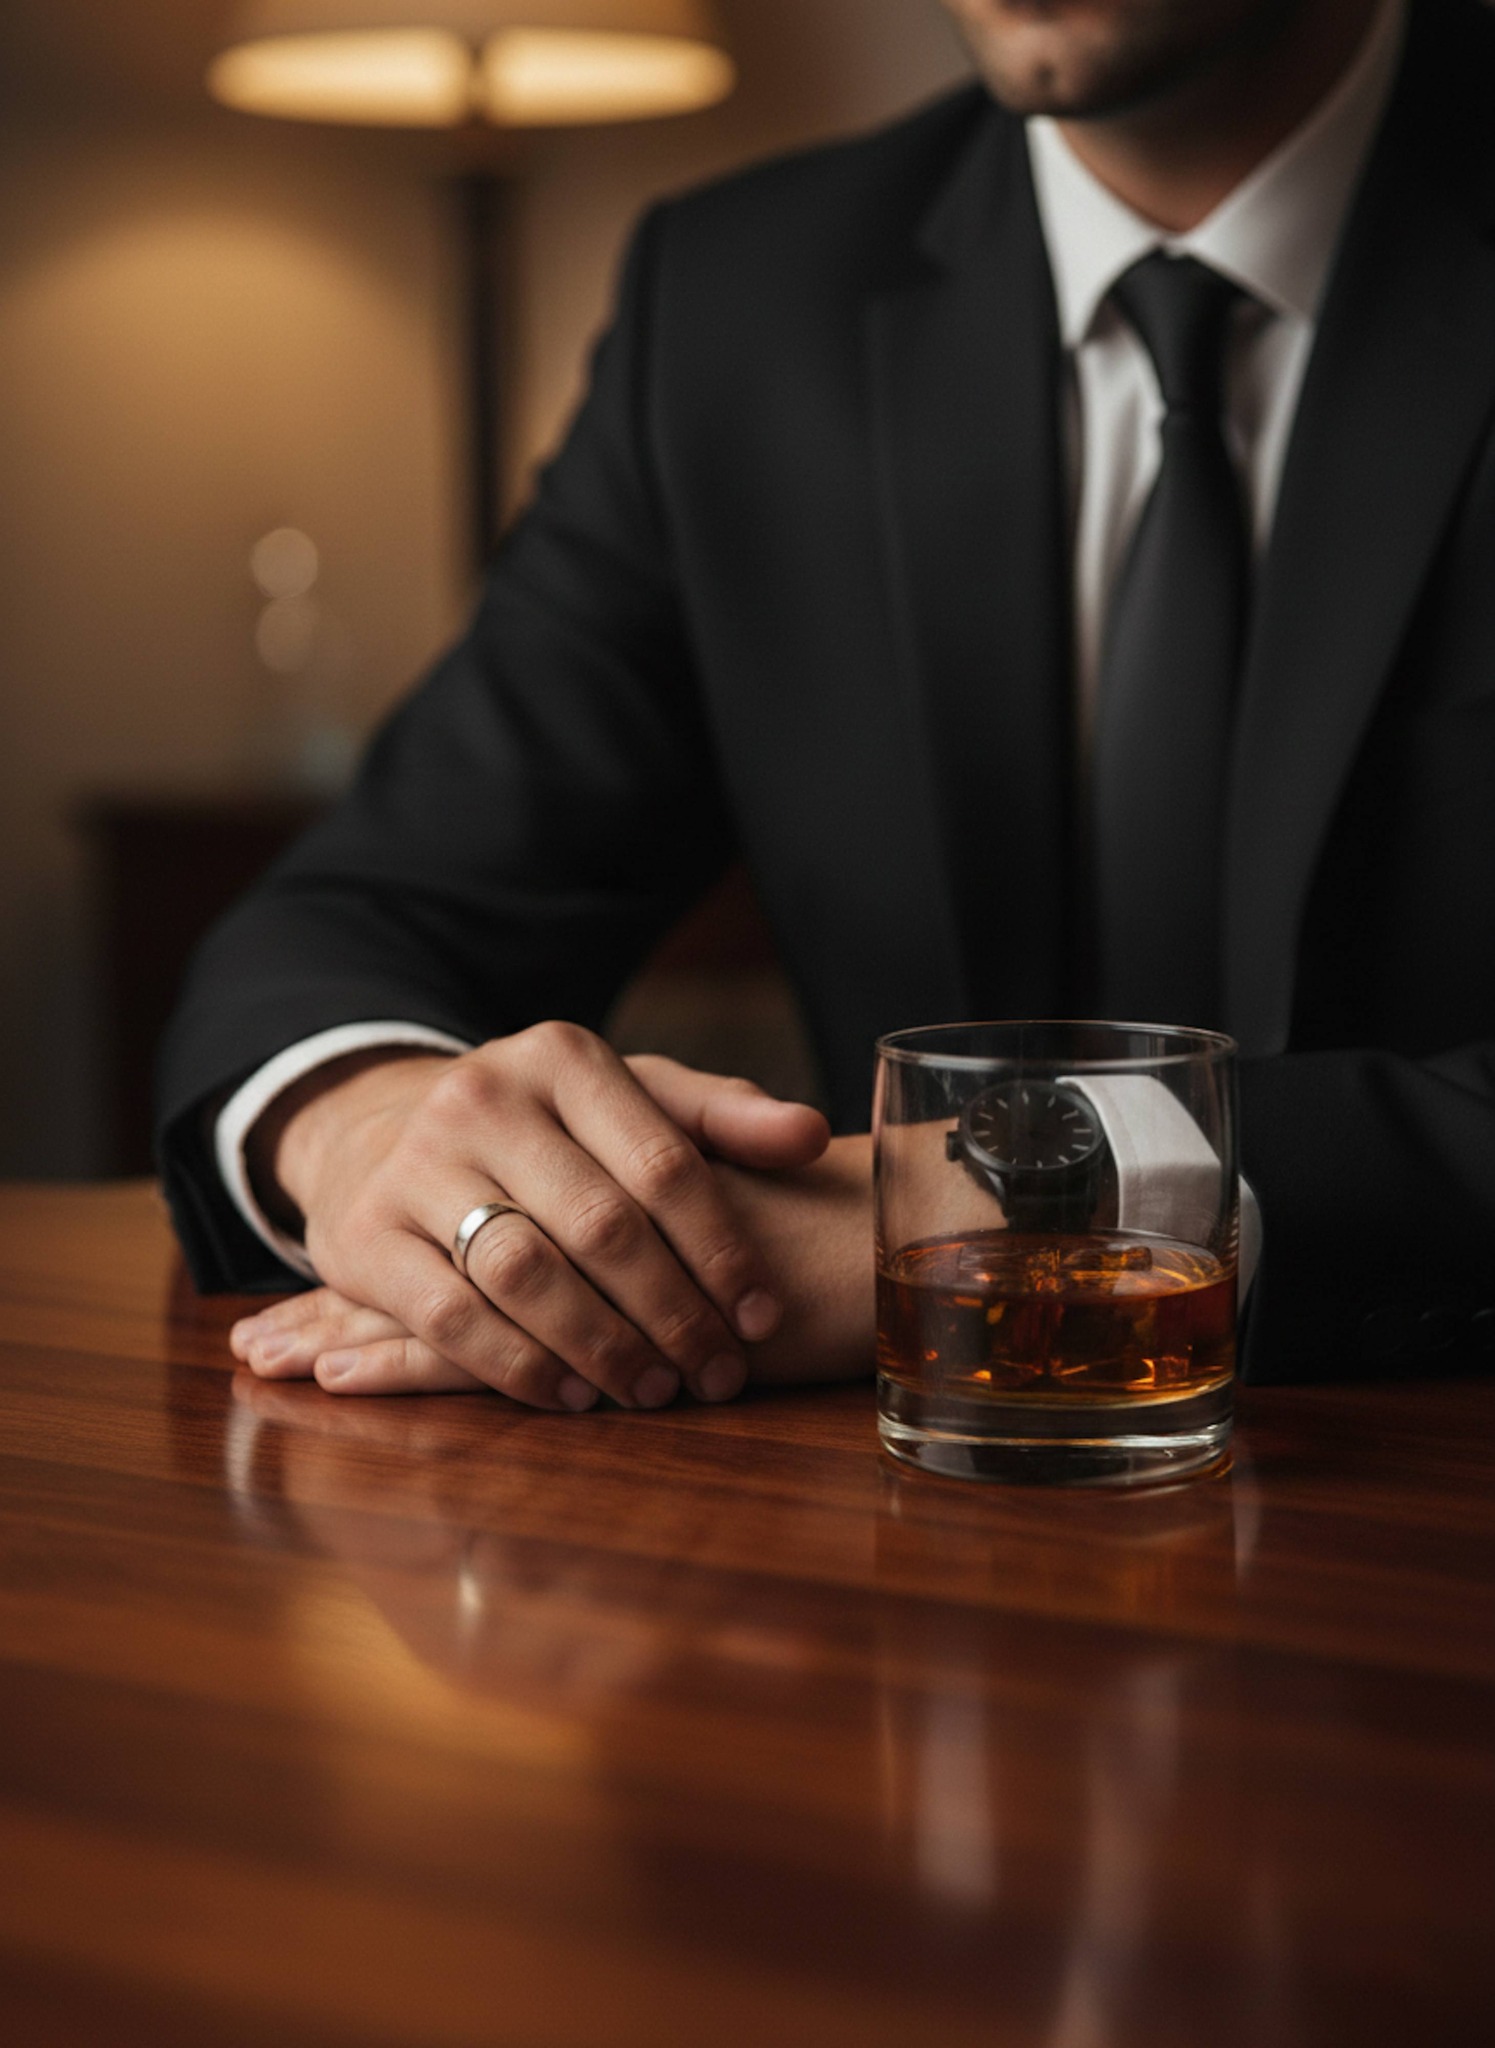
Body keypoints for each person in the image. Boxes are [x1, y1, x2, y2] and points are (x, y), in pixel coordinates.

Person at [158, 0, 1495, 1407]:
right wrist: (385, 1137)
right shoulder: (739, 301)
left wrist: (988, 1221)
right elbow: (371, 910)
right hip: (880, 1525)